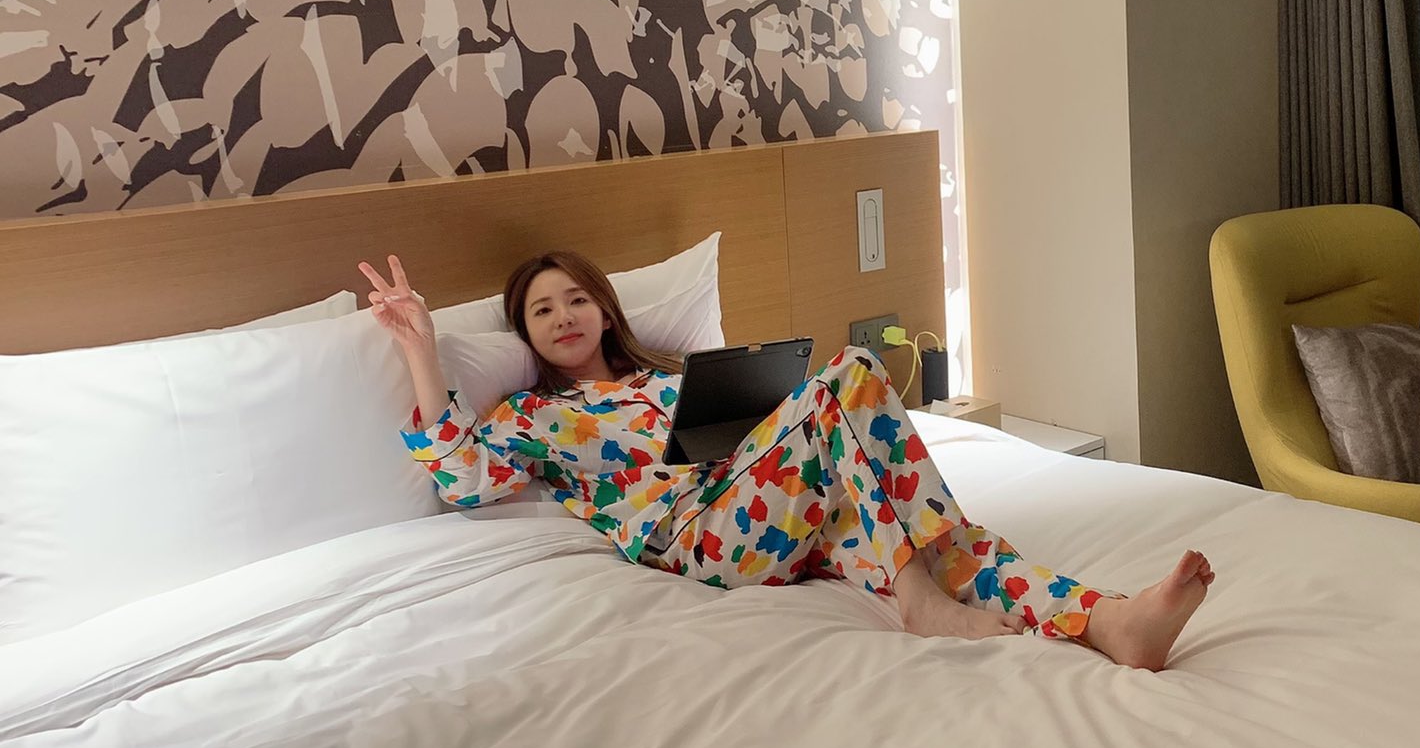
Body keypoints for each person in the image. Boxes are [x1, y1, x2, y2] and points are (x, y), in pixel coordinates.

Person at [359, 251, 1214, 670]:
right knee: (850, 375)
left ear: (608, 309)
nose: (564, 316)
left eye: (578, 297)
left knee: (942, 537)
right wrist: (422, 350)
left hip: (783, 503)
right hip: (704, 537)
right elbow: (461, 479)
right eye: (542, 311)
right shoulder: (538, 417)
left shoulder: (673, 379)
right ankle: (918, 600)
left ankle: (1108, 622)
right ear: (527, 334)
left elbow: (784, 433)